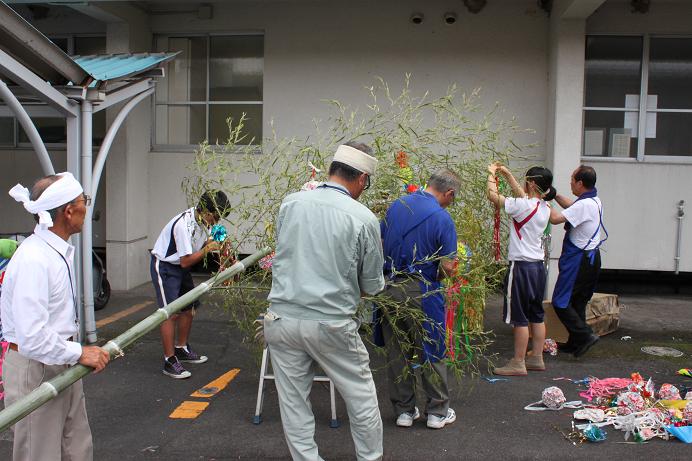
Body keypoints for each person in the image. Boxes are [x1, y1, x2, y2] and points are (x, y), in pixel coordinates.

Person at [265, 142, 385, 461]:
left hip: (282, 319)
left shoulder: (291, 204)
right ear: (362, 179)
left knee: (293, 404)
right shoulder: (363, 218)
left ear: (332, 170)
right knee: (361, 400)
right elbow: (372, 285)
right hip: (331, 322)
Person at [1, 173, 110, 461]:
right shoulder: (34, 259)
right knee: (39, 453)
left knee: (76, 447)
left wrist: (74, 353)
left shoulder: (55, 250)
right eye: (83, 201)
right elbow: (32, 337)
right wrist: (80, 352)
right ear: (68, 211)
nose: (87, 206)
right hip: (35, 366)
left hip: (61, 357)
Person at [378, 169, 460, 430]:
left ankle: (404, 411)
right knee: (431, 350)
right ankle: (436, 412)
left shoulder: (397, 205)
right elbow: (448, 267)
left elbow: (380, 242)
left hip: (389, 287)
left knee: (397, 350)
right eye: (453, 198)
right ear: (448, 193)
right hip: (422, 290)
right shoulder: (442, 218)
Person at [150, 191, 229, 378]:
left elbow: (216, 238)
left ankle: (181, 348)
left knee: (189, 306)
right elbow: (186, 261)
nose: (216, 221)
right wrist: (208, 249)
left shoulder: (206, 222)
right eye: (216, 216)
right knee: (169, 312)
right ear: (206, 211)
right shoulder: (184, 225)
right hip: (166, 266)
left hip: (181, 267)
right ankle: (169, 360)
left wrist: (225, 252)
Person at [487, 164, 556, 375]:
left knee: (519, 317)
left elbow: (493, 196)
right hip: (538, 268)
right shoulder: (544, 208)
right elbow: (523, 196)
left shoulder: (522, 205)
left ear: (532, 183)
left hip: (521, 267)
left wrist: (491, 173)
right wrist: (508, 175)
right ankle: (536, 357)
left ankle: (518, 362)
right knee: (536, 314)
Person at [549, 165, 607, 358]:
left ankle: (585, 336)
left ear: (580, 183)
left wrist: (539, 203)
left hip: (579, 260)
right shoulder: (593, 200)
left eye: (572, 180)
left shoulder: (584, 205)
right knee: (577, 302)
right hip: (591, 259)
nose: (570, 182)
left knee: (560, 302)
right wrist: (555, 195)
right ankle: (575, 342)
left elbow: (557, 218)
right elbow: (572, 207)